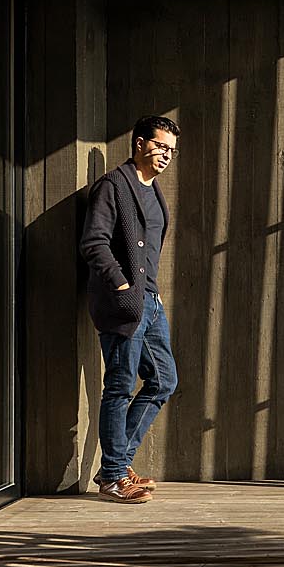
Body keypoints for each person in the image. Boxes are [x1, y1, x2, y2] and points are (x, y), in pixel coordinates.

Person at [79, 115, 181, 502]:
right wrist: (122, 285)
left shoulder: (154, 192)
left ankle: (116, 464)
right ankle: (112, 479)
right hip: (124, 303)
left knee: (163, 381)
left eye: (171, 150)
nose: (166, 155)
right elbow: (94, 243)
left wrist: (147, 293)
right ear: (139, 143)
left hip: (151, 303)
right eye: (159, 146)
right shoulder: (113, 186)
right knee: (119, 387)